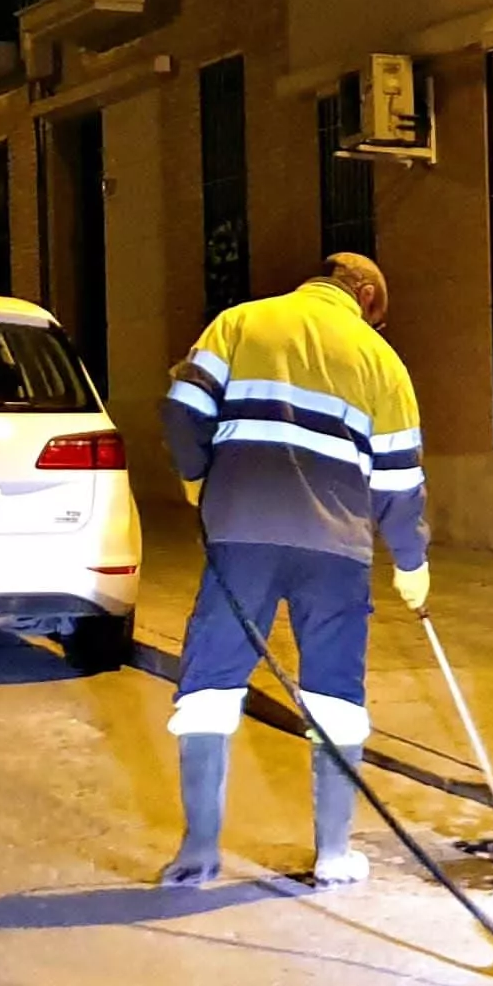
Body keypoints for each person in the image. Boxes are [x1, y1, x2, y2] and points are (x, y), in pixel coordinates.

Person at [156, 250, 430, 887]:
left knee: (210, 683)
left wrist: (198, 476)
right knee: (335, 693)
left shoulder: (241, 323)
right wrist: (411, 561)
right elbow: (399, 477)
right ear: (361, 294)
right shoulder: (381, 361)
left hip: (241, 534)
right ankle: (334, 854)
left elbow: (181, 408)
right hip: (336, 550)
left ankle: (197, 854)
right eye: (376, 314)